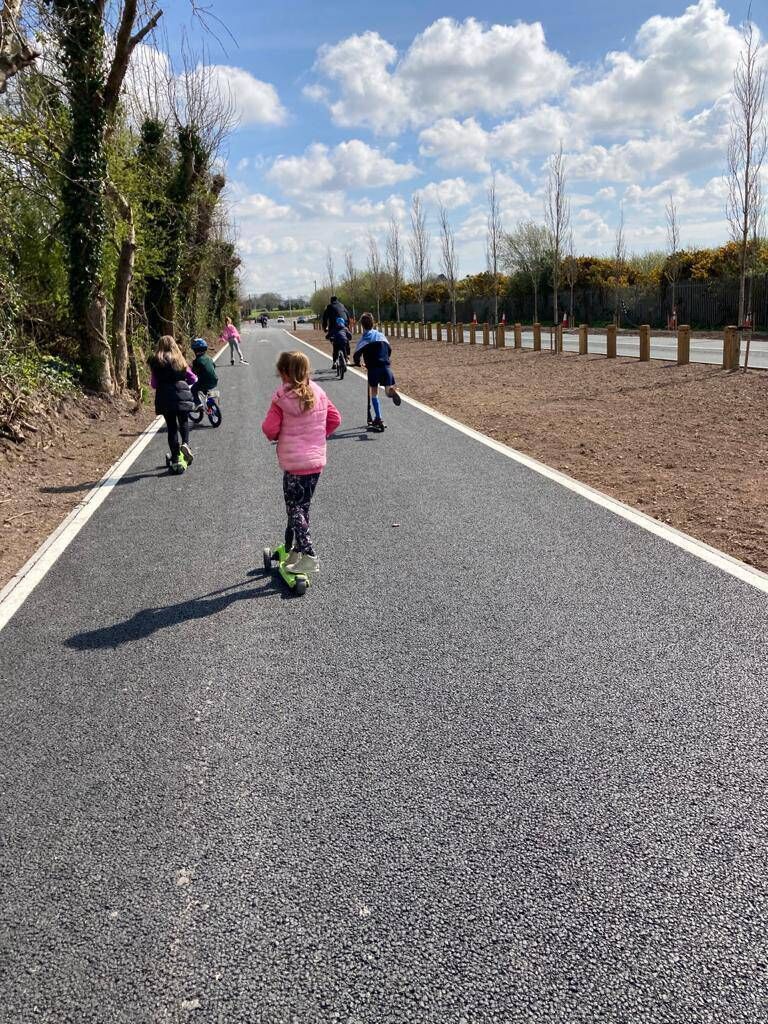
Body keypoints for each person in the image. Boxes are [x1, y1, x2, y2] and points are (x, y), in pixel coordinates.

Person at [261, 351, 342, 576]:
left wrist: (278, 435)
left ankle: (309, 555)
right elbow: (335, 419)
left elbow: (269, 429)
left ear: (285, 373)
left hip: (294, 464)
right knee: (303, 507)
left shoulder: (281, 398)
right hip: (315, 463)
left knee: (294, 508)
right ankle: (296, 550)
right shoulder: (319, 392)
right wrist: (317, 436)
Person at [148, 335, 197, 471]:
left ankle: (175, 457)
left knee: (171, 427)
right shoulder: (180, 360)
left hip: (164, 398)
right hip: (182, 395)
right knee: (184, 421)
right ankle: (185, 444)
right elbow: (193, 378)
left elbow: (154, 384)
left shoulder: (156, 362)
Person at [353, 312, 401, 432]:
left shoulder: (364, 339)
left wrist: (359, 363)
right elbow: (389, 349)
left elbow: (356, 355)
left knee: (374, 392)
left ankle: (378, 418)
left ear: (362, 326)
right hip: (386, 367)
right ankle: (392, 391)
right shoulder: (381, 336)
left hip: (373, 369)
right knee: (387, 390)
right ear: (373, 323)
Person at [190, 338, 218, 408]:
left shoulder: (196, 361)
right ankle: (213, 398)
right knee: (205, 389)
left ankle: (198, 403)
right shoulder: (209, 358)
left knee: (193, 389)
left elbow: (193, 371)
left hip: (204, 382)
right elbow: (214, 366)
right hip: (215, 380)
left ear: (195, 350)